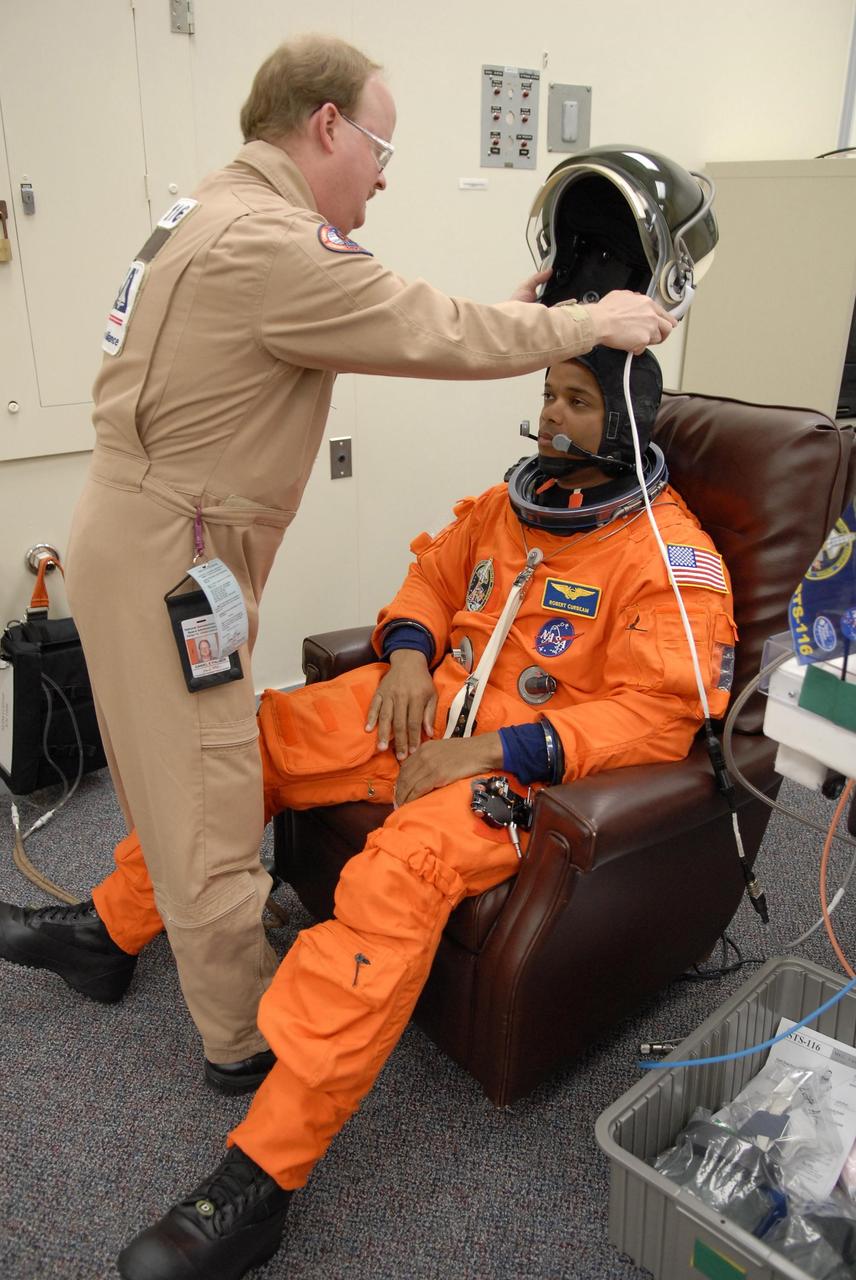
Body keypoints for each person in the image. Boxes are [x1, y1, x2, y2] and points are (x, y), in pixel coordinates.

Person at [0, 34, 674, 1094]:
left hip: (137, 531)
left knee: (188, 775)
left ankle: (104, 932)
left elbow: (405, 320)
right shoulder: (277, 244)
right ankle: (241, 1040)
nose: (385, 174)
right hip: (175, 561)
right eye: (380, 148)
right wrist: (586, 319)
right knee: (215, 792)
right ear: (326, 127)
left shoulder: (205, 212)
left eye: (574, 396)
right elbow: (424, 328)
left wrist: (533, 317)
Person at [97, 344, 732, 1278]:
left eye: (580, 401)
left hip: (523, 775)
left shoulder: (671, 562)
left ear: (629, 420)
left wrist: (496, 750)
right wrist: (403, 654)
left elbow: (660, 716)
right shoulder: (507, 505)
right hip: (424, 708)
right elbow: (433, 579)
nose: (553, 413)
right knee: (252, 744)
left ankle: (261, 1175)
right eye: (549, 393)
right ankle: (108, 929)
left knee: (394, 879)